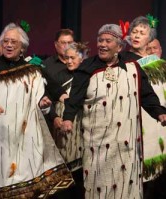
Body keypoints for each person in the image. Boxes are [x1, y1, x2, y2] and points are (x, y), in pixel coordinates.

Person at [61, 23, 166, 199]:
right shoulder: (87, 68)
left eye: (108, 40)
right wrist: (68, 119)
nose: (102, 44)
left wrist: (159, 112)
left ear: (119, 45)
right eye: (100, 40)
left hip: (127, 143)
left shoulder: (133, 66)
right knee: (99, 184)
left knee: (127, 184)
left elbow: (146, 93)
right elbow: (74, 99)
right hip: (98, 143)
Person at [0, 22, 73, 198]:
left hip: (26, 133)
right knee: (3, 175)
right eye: (6, 41)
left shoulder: (32, 66)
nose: (9, 45)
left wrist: (64, 99)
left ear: (23, 47)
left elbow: (52, 88)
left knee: (29, 172)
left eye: (14, 42)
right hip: (0, 133)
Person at [125, 16, 166, 199]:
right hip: (132, 124)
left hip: (158, 124)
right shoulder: (122, 61)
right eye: (134, 31)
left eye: (142, 33)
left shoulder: (159, 66)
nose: (137, 35)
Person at [51, 42, 89, 199]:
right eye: (66, 58)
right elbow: (49, 100)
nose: (69, 61)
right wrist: (55, 117)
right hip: (61, 133)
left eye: (72, 58)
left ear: (82, 58)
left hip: (81, 128)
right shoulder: (59, 76)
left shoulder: (88, 76)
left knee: (80, 176)